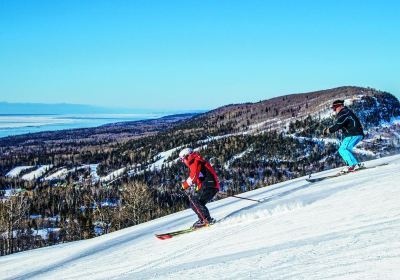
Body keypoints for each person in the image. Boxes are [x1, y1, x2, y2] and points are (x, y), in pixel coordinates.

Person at [179, 147, 220, 228]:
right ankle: (204, 219)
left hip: (209, 186)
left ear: (186, 156)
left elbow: (193, 177)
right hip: (210, 185)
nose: (183, 161)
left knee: (195, 201)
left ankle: (206, 219)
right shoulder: (197, 159)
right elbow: (199, 178)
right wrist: (198, 188)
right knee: (196, 202)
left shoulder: (194, 161)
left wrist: (184, 185)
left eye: (182, 159)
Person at [323, 100, 365, 172]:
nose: (334, 110)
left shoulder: (344, 113)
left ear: (339, 106)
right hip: (355, 133)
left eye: (334, 108)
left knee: (343, 149)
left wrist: (328, 130)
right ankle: (353, 165)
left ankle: (353, 165)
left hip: (353, 134)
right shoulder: (346, 112)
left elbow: (339, 124)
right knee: (346, 149)